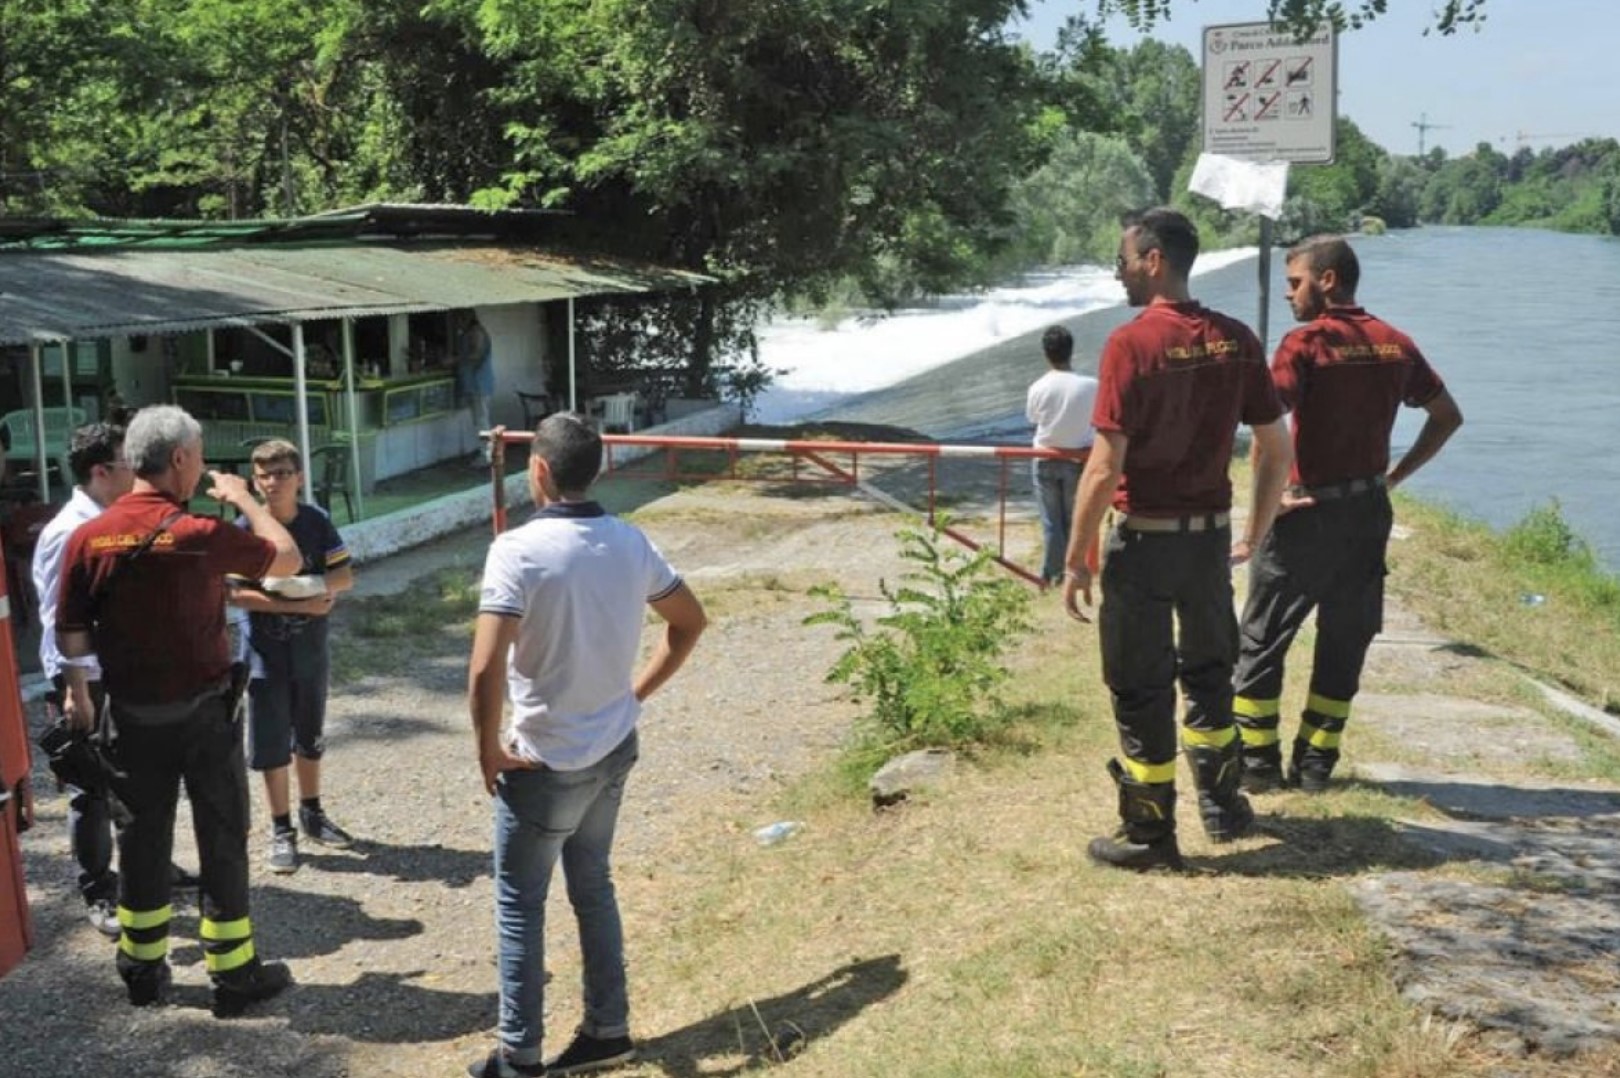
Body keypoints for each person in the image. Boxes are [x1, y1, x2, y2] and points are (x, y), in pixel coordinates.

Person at [466, 412, 707, 1078]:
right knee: (592, 886)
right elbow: (690, 622)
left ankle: (520, 1055)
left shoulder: (516, 550)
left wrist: (487, 750)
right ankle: (608, 1028)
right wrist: (635, 693)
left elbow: (486, 669)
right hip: (610, 749)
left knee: (520, 903)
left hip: (542, 760)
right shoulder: (629, 541)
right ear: (594, 469)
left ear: (537, 470)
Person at [1063, 207, 1292, 872]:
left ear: (1154, 259)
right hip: (1206, 546)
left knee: (1140, 687)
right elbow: (1277, 447)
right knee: (1209, 675)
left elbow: (1105, 467)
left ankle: (1149, 835)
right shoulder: (1238, 339)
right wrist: (1255, 530)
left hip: (1144, 543)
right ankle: (1223, 809)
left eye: (1124, 260)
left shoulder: (1131, 343)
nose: (1119, 273)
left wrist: (1078, 559)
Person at [56, 404, 302, 1015]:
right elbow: (288, 559)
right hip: (203, 715)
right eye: (196, 457)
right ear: (182, 459)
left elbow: (72, 638)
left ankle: (142, 971)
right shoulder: (198, 535)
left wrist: (98, 671)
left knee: (140, 841)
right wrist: (245, 499)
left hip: (133, 717)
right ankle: (233, 977)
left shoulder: (89, 537)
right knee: (221, 837)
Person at [1232, 235, 1463, 793]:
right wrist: (1392, 478)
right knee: (1346, 638)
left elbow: (1267, 430)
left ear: (1327, 280)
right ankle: (1315, 765)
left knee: (1262, 639)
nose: (1290, 295)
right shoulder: (1394, 344)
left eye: (1295, 282)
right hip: (1365, 514)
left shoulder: (1305, 344)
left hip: (1305, 513)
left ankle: (1258, 765)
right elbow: (1446, 416)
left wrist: (1258, 519)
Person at [228, 439, 356, 874]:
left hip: (309, 650)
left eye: (283, 473)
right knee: (269, 743)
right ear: (254, 481)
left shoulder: (317, 521)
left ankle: (312, 811)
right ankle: (282, 828)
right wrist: (295, 604)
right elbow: (236, 593)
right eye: (265, 475)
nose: (274, 482)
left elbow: (343, 574)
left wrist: (321, 588)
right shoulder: (245, 527)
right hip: (264, 652)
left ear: (300, 478)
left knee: (310, 733)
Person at [31, 422, 137, 937]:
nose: (138, 472)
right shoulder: (68, 531)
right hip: (84, 679)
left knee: (133, 776)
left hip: (120, 672)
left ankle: (142, 867)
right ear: (100, 472)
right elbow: (56, 620)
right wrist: (75, 691)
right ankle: (99, 889)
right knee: (89, 789)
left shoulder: (114, 518)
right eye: (128, 464)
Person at [1025, 324, 1098, 585]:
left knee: (1051, 522)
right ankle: (1072, 569)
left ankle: (1051, 574)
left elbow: (1033, 419)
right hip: (1077, 458)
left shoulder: (1038, 387)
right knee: (1072, 519)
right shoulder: (1091, 385)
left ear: (1046, 353)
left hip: (1045, 456)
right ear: (1071, 351)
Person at [456, 310, 495, 466]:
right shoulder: (470, 332)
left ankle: (487, 455)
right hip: (475, 383)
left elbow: (476, 354)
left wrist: (455, 360)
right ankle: (486, 452)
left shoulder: (476, 332)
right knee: (479, 420)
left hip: (479, 383)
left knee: (481, 421)